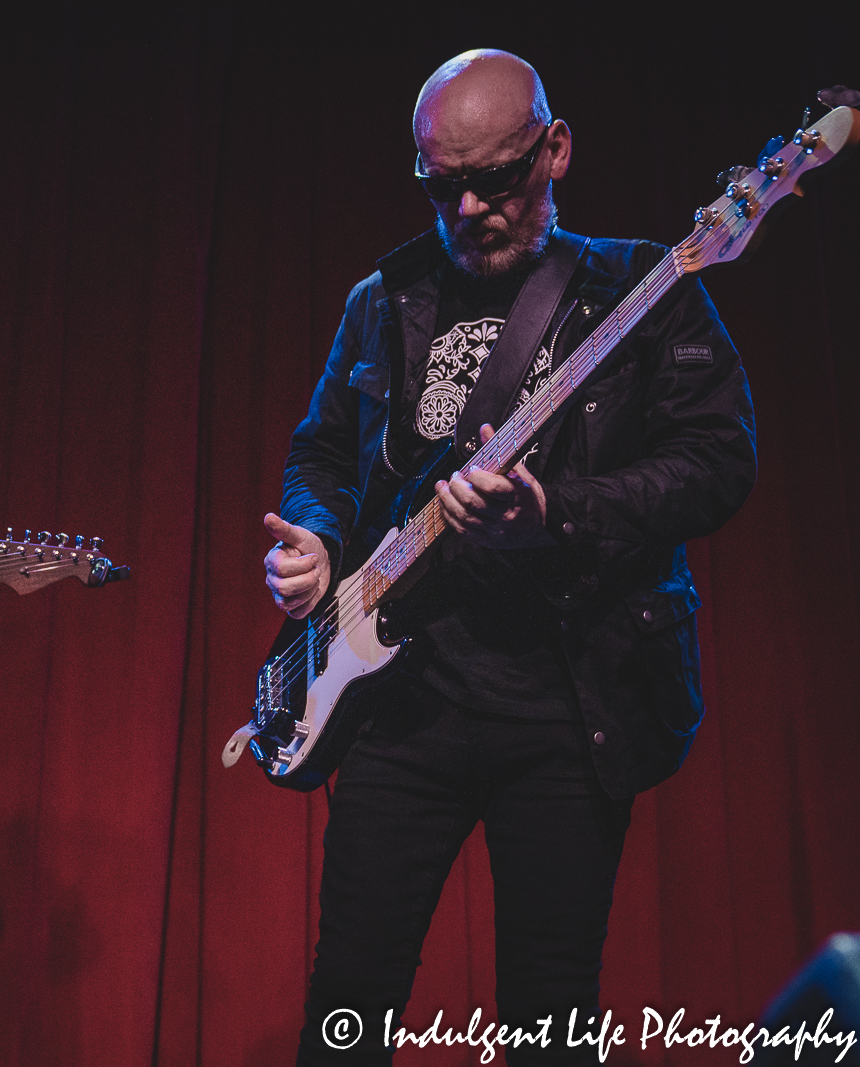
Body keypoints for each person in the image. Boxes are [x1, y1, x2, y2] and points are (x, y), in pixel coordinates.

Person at [261, 50, 756, 1065]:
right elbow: (320, 450)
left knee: (550, 1012)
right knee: (347, 997)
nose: (474, 207)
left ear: (555, 148)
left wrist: (557, 505)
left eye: (499, 178)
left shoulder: (644, 288)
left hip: (572, 708)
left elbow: (718, 461)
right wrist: (311, 531)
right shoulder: (383, 296)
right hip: (400, 700)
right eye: (445, 185)